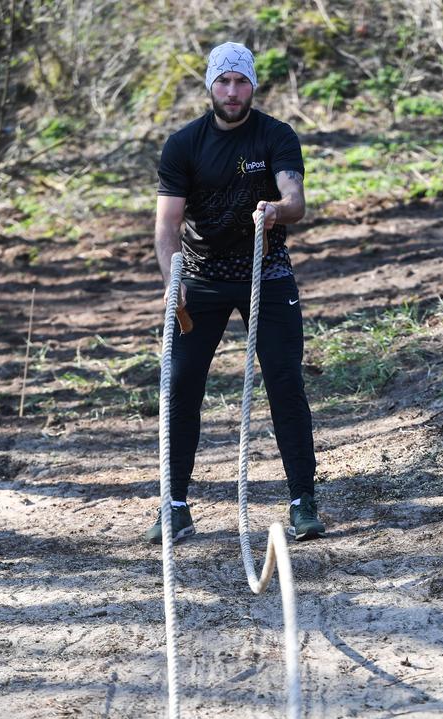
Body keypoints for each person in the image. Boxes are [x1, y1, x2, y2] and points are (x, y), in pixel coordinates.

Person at [145, 41, 325, 544]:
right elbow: (167, 226)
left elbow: (296, 201)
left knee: (285, 380)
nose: (231, 91)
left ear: (252, 86)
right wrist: (171, 283)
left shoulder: (276, 135)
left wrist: (275, 210)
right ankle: (175, 504)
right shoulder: (183, 145)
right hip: (199, 276)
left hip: (264, 271)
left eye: (240, 81)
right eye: (223, 81)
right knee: (179, 384)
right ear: (210, 85)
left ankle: (302, 500)